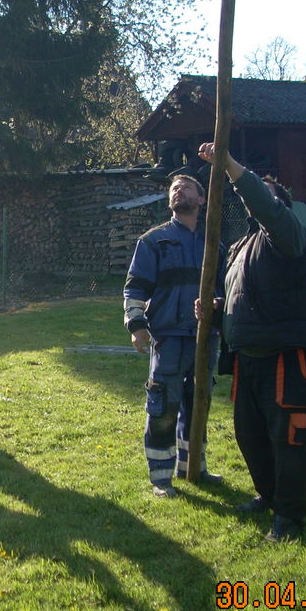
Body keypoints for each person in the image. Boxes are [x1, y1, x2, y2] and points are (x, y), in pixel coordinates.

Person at [197, 142, 306, 543]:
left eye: (262, 194)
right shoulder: (240, 248)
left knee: (288, 439)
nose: (251, 201)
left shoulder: (287, 235)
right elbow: (241, 299)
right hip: (246, 357)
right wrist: (215, 310)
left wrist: (229, 165)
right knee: (250, 436)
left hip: (285, 354)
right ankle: (269, 496)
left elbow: (264, 206)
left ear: (280, 204)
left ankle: (289, 518)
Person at [123, 173, 226, 498]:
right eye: (174, 189)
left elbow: (226, 288)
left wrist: (218, 304)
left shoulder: (214, 243)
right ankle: (161, 477)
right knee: (163, 407)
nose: (178, 191)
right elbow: (135, 287)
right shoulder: (154, 241)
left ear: (202, 199)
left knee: (198, 404)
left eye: (186, 187)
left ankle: (193, 466)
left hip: (204, 339)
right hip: (168, 337)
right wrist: (137, 325)